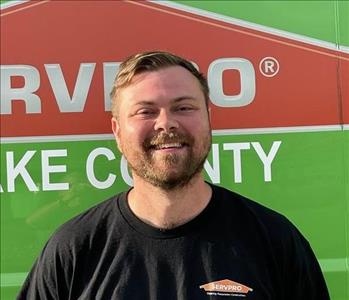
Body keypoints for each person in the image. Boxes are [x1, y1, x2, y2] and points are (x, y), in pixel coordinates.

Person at [18, 51, 329, 299]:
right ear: (116, 131)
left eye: (183, 108)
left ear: (210, 119)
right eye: (145, 111)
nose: (166, 123)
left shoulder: (274, 241)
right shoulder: (73, 250)